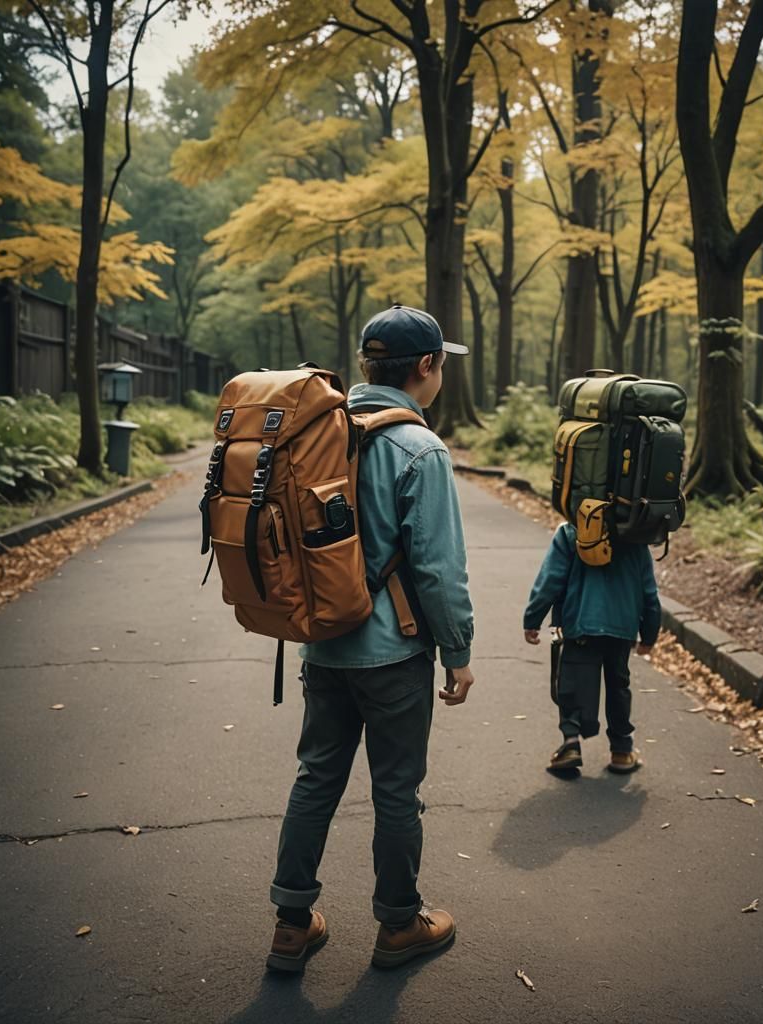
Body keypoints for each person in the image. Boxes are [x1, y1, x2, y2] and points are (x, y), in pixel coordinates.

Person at [266, 304, 475, 973]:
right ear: (425, 366)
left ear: (363, 365)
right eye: (442, 362)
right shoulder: (420, 449)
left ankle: (292, 925)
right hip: (393, 653)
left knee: (315, 778)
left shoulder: (313, 432)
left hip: (323, 644)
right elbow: (440, 571)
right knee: (395, 790)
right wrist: (459, 653)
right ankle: (398, 925)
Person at [523, 523, 660, 775]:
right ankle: (621, 750)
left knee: (573, 681)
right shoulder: (635, 533)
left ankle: (571, 744)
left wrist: (533, 618)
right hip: (622, 627)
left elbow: (551, 579)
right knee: (619, 685)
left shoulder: (572, 530)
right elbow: (648, 590)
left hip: (581, 622)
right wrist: (649, 633)